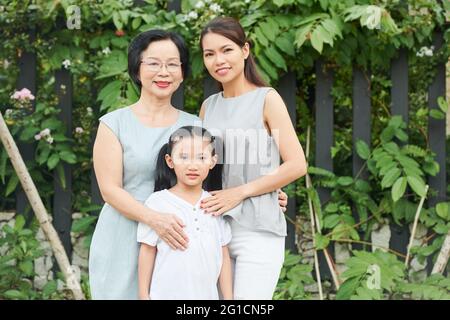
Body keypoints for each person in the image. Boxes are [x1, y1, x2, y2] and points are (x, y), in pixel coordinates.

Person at [89, 29, 288, 300]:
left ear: (182, 73)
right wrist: (154, 219)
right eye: (153, 63)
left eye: (173, 64)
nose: (164, 72)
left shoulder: (195, 124)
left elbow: (214, 177)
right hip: (123, 237)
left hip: (181, 244)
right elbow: (109, 191)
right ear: (137, 68)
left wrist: (265, 193)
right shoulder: (114, 124)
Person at [198, 17, 308, 300]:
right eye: (209, 54)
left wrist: (244, 191)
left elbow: (296, 163)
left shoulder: (267, 99)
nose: (218, 60)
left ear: (245, 50)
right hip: (213, 228)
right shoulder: (208, 107)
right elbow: (200, 168)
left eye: (227, 50)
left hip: (257, 229)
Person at [137, 125, 232, 300]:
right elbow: (147, 250)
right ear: (169, 160)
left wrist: (228, 297)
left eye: (201, 157)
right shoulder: (157, 202)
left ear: (212, 161)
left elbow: (223, 253)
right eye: (184, 157)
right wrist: (143, 294)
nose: (192, 165)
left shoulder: (215, 204)